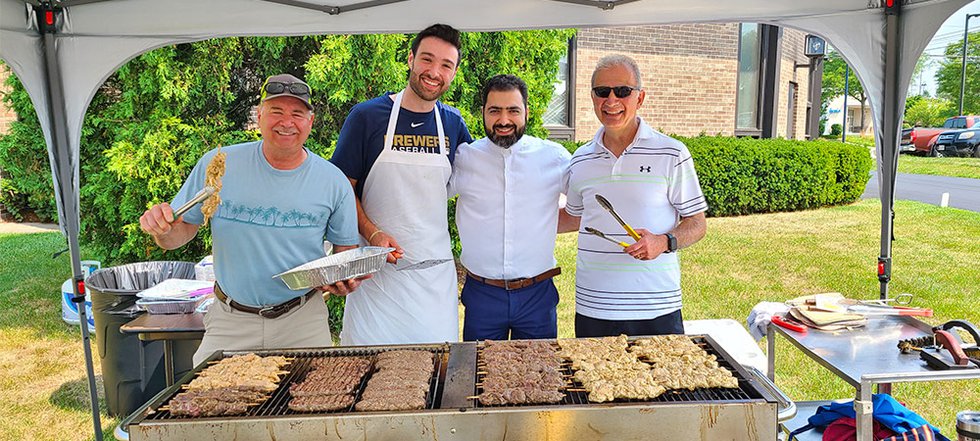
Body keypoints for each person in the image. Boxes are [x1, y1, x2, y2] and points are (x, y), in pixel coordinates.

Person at [139, 73, 366, 364]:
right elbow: (178, 234)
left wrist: (343, 280)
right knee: (203, 404)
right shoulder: (218, 165)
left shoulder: (333, 181)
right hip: (230, 320)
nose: (287, 122)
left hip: (302, 320)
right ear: (259, 116)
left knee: (313, 404)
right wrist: (161, 229)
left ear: (310, 122)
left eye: (297, 114)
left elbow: (343, 256)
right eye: (276, 112)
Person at [330, 24, 473, 345]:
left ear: (454, 72)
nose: (434, 72)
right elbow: (340, 190)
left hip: (433, 280)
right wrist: (372, 232)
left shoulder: (453, 123)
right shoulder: (367, 116)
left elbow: (483, 180)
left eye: (446, 65)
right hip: (376, 280)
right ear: (410, 59)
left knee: (436, 373)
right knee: (367, 374)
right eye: (427, 59)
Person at [559, 54, 708, 338]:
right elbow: (573, 218)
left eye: (623, 91)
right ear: (592, 97)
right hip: (594, 308)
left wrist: (664, 242)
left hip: (656, 308)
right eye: (602, 92)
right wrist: (515, 219)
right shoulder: (579, 159)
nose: (611, 100)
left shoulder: (672, 153)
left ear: (640, 98)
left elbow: (697, 224)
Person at [449, 74, 571, 341]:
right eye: (495, 111)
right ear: (483, 112)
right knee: (479, 376)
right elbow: (424, 197)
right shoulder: (464, 159)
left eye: (513, 110)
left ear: (526, 112)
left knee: (540, 377)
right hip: (482, 295)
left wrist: (547, 223)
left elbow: (589, 205)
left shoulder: (555, 158)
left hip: (537, 295)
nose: (504, 120)